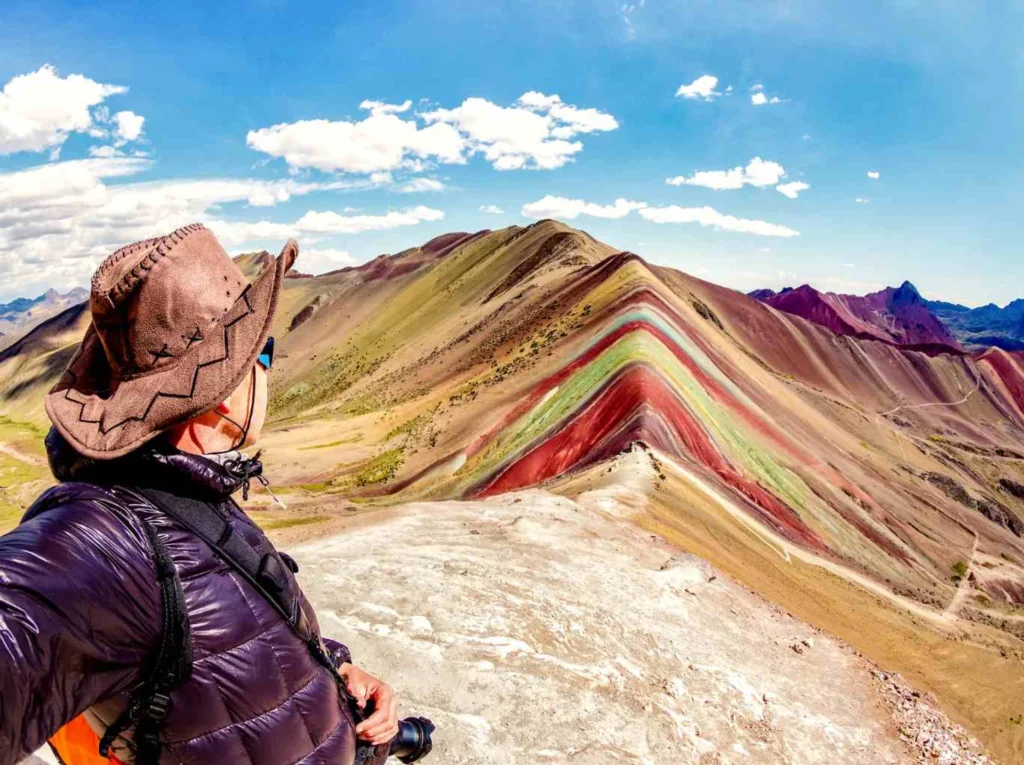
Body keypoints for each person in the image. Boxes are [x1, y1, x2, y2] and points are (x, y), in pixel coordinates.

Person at [0, 224, 398, 765]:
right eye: (265, 352)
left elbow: (225, 643)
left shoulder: (186, 487)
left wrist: (334, 668)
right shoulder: (103, 538)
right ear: (227, 388)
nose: (268, 371)